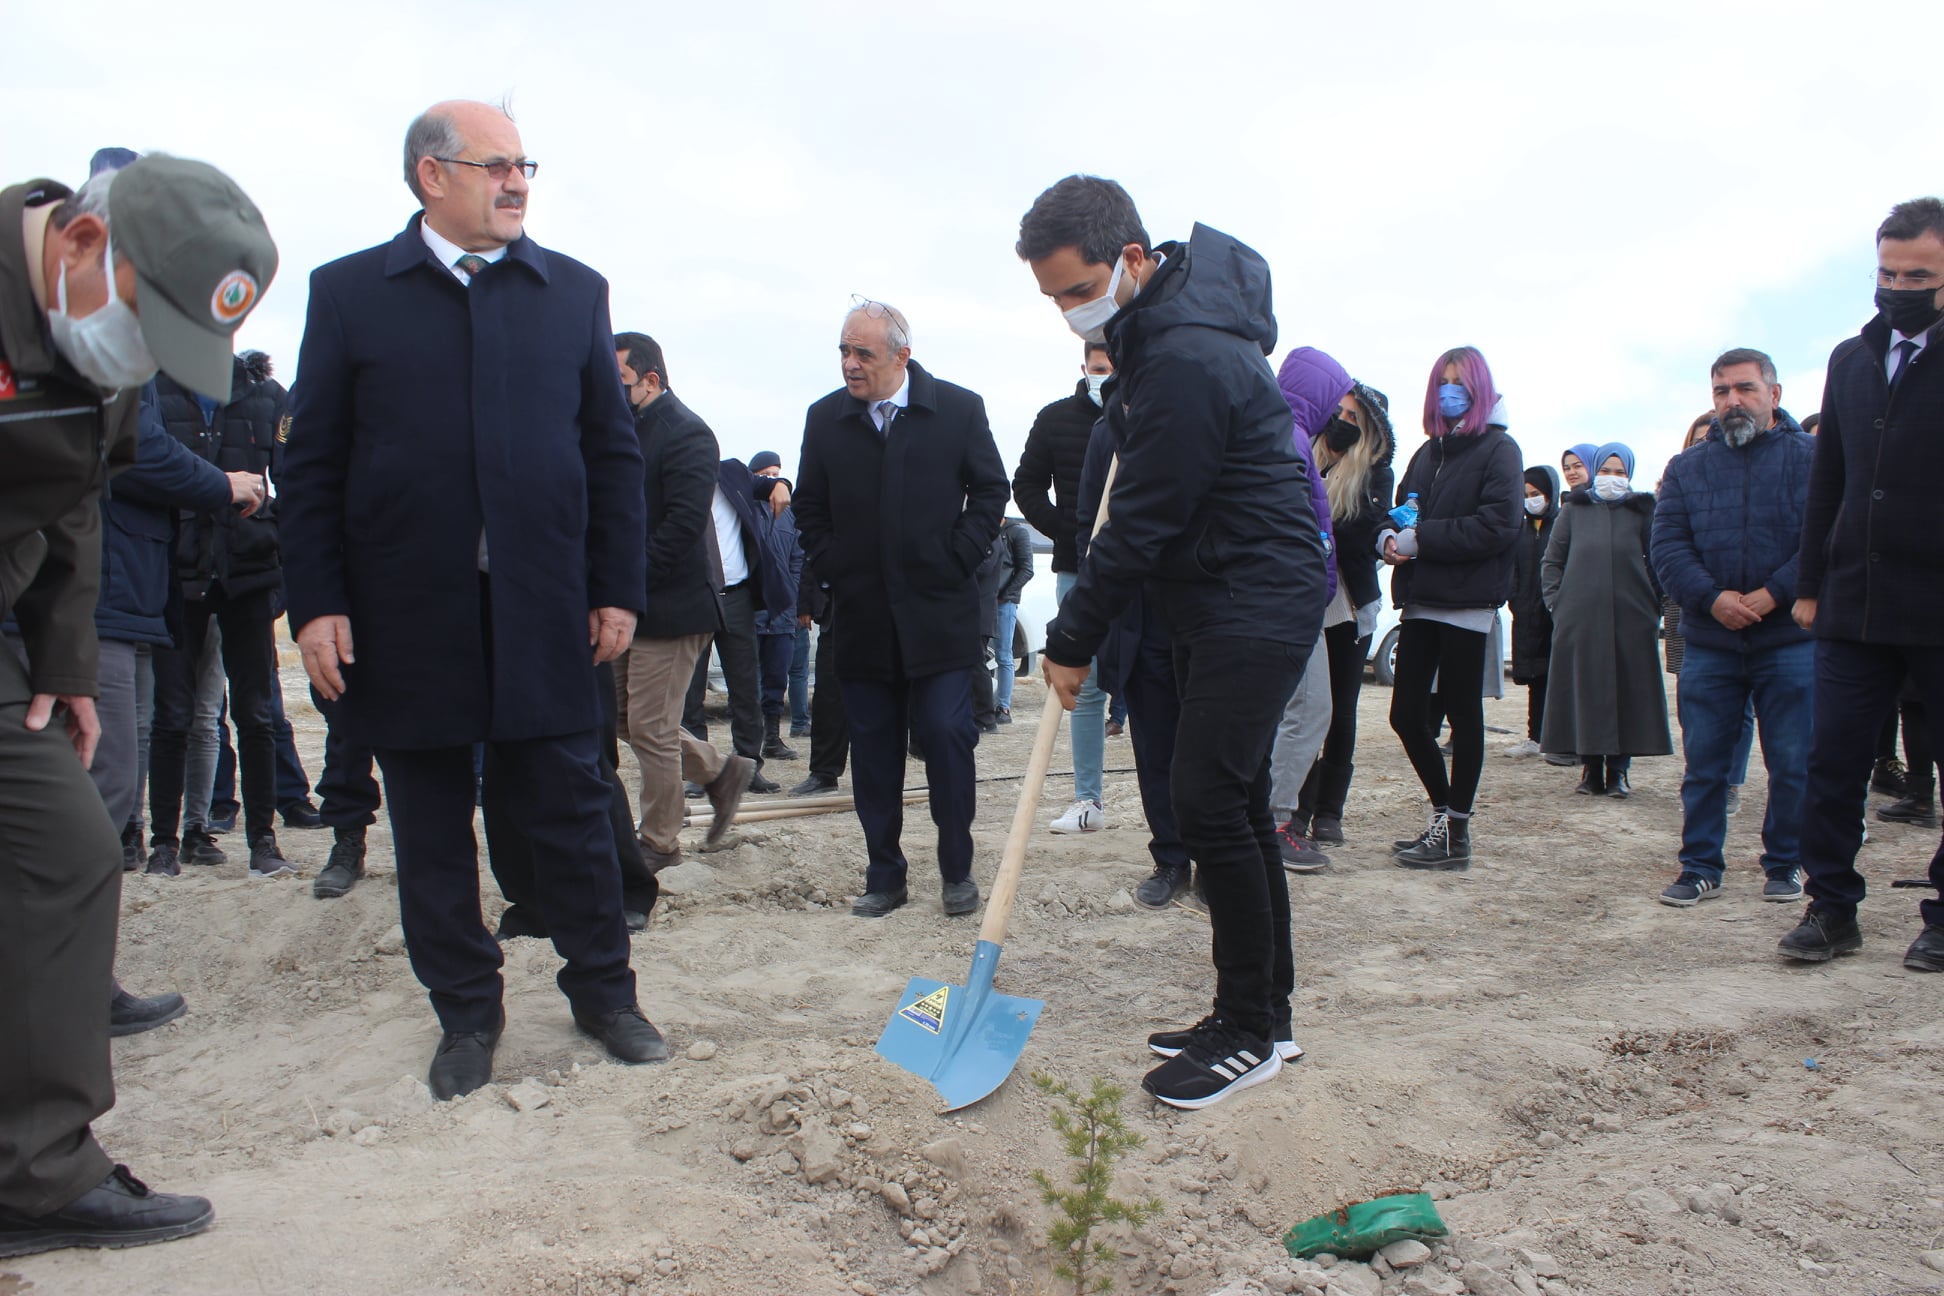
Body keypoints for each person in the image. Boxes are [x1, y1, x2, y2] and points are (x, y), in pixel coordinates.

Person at [281, 100, 665, 1101]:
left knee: (572, 813)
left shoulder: (571, 292)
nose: (518, 183)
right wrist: (316, 600)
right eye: (495, 165)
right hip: (406, 611)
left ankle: (605, 993)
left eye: (525, 164)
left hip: (544, 607)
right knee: (431, 825)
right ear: (429, 175)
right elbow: (314, 461)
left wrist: (616, 587)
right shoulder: (352, 293)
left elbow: (609, 453)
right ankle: (466, 1014)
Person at [2, 153, 277, 1257]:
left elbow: (71, 502)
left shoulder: (96, 348)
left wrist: (66, 664)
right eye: (143, 323)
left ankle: (35, 1174)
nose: (142, 364)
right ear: (77, 242)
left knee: (65, 851)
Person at [1018, 175, 1327, 1108]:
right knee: (1227, 803)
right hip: (1221, 588)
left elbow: (1142, 522)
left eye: (1079, 290)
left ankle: (1248, 1031)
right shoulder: (1162, 342)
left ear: (1134, 260)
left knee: (1209, 803)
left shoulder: (1188, 353)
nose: (1072, 313)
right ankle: (1261, 1014)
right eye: (1054, 300)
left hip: (1255, 590)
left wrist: (1070, 638)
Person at [793, 299, 1007, 917]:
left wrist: (958, 554)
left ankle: (956, 868)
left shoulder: (957, 409)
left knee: (945, 735)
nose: (849, 364)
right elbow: (809, 506)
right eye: (843, 350)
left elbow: (992, 489)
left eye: (863, 352)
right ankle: (884, 873)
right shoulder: (825, 419)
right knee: (875, 747)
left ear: (901, 355)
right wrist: (835, 564)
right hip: (862, 616)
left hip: (939, 615)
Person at [1782, 196, 1944, 972]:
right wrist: (1810, 583)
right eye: (1889, 271)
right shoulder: (1852, 358)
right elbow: (1829, 482)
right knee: (1834, 761)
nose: (1900, 285)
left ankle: (1942, 916)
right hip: (1854, 601)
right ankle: (1832, 907)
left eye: (1919, 274)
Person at [1651, 349, 1816, 906]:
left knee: (1792, 762)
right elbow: (1668, 546)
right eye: (1721, 391)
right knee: (1705, 765)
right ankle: (1699, 865)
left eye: (1744, 388)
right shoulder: (1687, 468)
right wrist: (1712, 597)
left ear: (1774, 393)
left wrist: (1774, 595)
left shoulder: (1812, 459)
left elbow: (1825, 541)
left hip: (1789, 638)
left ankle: (1786, 864)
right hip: (1711, 639)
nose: (1732, 401)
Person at [609, 332, 753, 872]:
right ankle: (719, 772)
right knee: (626, 719)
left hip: (673, 607)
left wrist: (625, 583)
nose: (611, 391)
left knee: (649, 726)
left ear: (651, 379)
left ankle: (660, 843)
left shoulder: (688, 433)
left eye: (621, 382)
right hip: (629, 603)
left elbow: (681, 526)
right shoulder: (625, 429)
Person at [146, 350, 292, 878]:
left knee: (255, 712)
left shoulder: (267, 396)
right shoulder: (152, 390)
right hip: (176, 571)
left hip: (250, 572)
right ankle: (165, 843)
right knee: (173, 713)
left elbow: (295, 476)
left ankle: (263, 841)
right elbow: (133, 468)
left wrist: (275, 538)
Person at [1379, 348, 1524, 869]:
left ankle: (1455, 832)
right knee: (1405, 715)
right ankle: (1445, 815)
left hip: (1467, 600)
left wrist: (1422, 539)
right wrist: (1388, 538)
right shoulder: (1427, 452)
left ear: (1480, 387)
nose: (1449, 389)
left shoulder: (1499, 450)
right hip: (1420, 601)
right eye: (1442, 380)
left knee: (1464, 716)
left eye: (1459, 381)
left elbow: (1498, 525)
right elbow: (1400, 509)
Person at [1015, 343, 1115, 834]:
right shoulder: (1056, 420)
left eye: (1112, 369)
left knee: (1157, 681)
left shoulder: (1147, 416)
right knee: (1085, 685)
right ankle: (1088, 800)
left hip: (1143, 571)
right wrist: (1066, 529)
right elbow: (1026, 483)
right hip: (1078, 568)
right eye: (1098, 369)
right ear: (1084, 369)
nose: (1105, 377)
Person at [1294, 382, 1394, 846]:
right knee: (1301, 709)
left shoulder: (1375, 473)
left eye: (1354, 418)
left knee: (1340, 711)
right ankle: (1295, 806)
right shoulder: (1305, 456)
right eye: (1340, 413)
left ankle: (1328, 811)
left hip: (1348, 604)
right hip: (1302, 598)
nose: (1343, 423)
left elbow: (1366, 532)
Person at [1539, 443, 1671, 797]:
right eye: (1606, 470)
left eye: (1620, 472)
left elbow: (1658, 560)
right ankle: (1590, 769)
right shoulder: (1574, 510)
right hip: (1579, 616)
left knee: (1627, 691)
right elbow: (1552, 561)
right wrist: (1557, 603)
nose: (1612, 478)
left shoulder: (1643, 510)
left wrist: (1654, 605)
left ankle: (1619, 772)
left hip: (1633, 615)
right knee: (1586, 689)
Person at [1265, 347, 1344, 873]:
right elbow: (1305, 526)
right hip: (1293, 598)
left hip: (1284, 594)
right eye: (1335, 401)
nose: (1338, 414)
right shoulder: (1291, 440)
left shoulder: (1280, 432)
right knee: (1311, 707)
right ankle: (1274, 821)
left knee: (1288, 711)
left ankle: (1268, 817)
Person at [1659, 413, 1757, 815]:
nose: (1705, 444)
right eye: (1697, 439)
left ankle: (1731, 781)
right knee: (1692, 698)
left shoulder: (1743, 486)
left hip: (1744, 608)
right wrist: (1704, 593)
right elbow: (1668, 547)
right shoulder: (1678, 485)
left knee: (1742, 707)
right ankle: (1701, 774)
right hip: (1688, 607)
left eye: (1709, 438)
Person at [682, 455, 788, 795]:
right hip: (693, 598)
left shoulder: (731, 473)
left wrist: (782, 485)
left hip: (737, 597)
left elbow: (769, 483)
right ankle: (700, 770)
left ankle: (748, 765)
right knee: (690, 690)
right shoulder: (670, 481)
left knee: (745, 686)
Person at [1503, 465, 1559, 759]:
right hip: (1525, 615)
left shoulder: (1561, 524)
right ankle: (1535, 737)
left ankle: (1559, 737)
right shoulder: (1521, 529)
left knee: (1557, 677)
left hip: (1554, 617)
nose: (1531, 500)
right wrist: (1514, 597)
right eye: (1525, 494)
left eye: (1536, 494)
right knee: (1535, 679)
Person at [751, 459, 804, 761]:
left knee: (777, 679)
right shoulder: (744, 509)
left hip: (783, 614)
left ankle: (772, 739)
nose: (772, 479)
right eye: (765, 474)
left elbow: (798, 560)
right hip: (752, 611)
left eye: (776, 474)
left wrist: (792, 598)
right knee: (748, 680)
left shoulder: (790, 516)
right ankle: (749, 742)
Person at [788, 549, 848, 797]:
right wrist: (805, 603)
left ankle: (884, 772)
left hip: (882, 605)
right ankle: (824, 773)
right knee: (828, 697)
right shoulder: (833, 511)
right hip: (837, 609)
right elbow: (812, 549)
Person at [993, 516, 1035, 722]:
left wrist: (1007, 594)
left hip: (1004, 603)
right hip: (983, 600)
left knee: (1003, 655)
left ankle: (1004, 707)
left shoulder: (1017, 532)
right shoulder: (982, 526)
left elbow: (1027, 569)